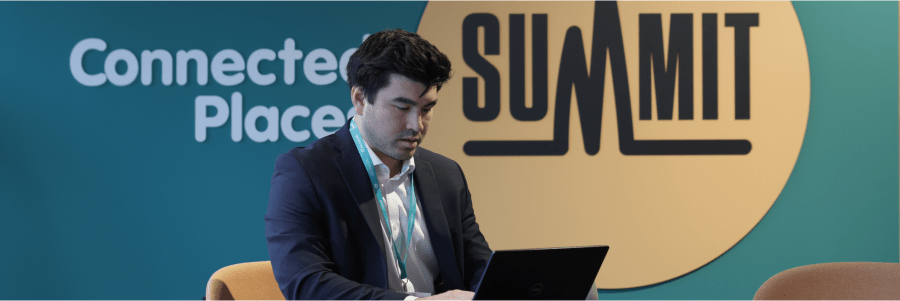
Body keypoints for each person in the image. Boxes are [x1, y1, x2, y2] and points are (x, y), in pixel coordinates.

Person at [265, 28, 492, 301]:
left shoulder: (447, 174)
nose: (416, 125)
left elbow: (480, 268)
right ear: (360, 99)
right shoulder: (305, 173)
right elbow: (307, 285)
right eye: (402, 107)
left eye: (427, 109)